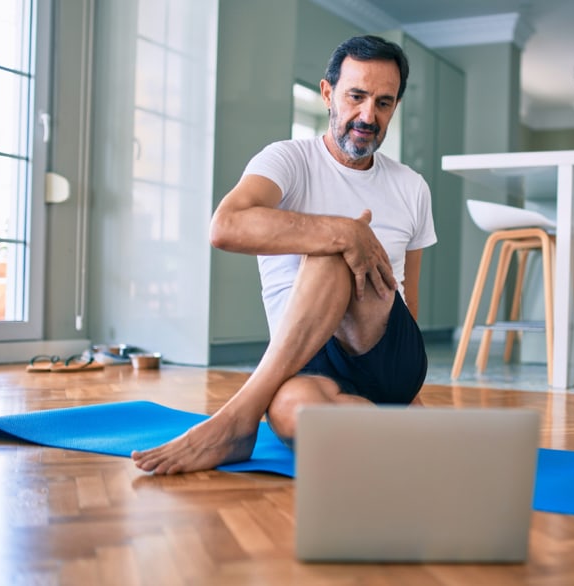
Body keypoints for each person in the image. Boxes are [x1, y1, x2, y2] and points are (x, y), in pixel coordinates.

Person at [132, 35, 437, 475]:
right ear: (328, 93)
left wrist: (404, 384)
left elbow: (410, 299)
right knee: (292, 411)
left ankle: (236, 419)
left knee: (336, 254)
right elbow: (226, 226)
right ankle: (399, 432)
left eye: (384, 103)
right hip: (304, 361)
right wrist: (342, 229)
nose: (369, 116)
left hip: (383, 342)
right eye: (357, 96)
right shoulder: (287, 160)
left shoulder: (412, 187)